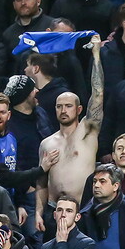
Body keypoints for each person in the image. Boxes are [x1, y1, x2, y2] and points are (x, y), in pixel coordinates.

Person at [36, 35, 103, 236]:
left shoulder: (87, 132)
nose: (63, 110)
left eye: (68, 106)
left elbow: (98, 94)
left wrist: (96, 54)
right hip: (53, 211)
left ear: (79, 109)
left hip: (84, 210)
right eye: (59, 107)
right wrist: (38, 213)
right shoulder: (47, 143)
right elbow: (41, 181)